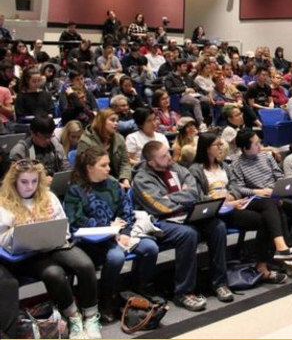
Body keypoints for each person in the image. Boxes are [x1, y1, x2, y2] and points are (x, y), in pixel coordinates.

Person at [0, 160, 102, 339]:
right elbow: (1, 238)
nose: (30, 186)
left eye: (34, 181)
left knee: (85, 264)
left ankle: (91, 317)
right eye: (24, 182)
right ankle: (73, 317)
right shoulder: (4, 203)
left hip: (55, 244)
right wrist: (18, 230)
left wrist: (47, 227)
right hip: (28, 254)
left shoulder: (48, 196)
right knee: (53, 273)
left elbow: (64, 227)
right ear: (14, 181)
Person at [132, 141, 233, 311]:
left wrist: (171, 196)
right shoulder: (141, 179)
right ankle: (183, 292)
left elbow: (194, 191)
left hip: (185, 216)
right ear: (152, 162)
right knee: (188, 234)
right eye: (163, 156)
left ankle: (219, 283)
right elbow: (160, 206)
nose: (169, 157)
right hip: (159, 222)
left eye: (168, 152)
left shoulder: (175, 167)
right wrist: (184, 200)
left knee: (218, 226)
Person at [63, 147, 159, 323]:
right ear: (89, 167)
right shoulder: (75, 189)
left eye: (108, 164)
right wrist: (107, 226)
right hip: (90, 241)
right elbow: (74, 221)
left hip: (116, 235)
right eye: (103, 165)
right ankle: (105, 300)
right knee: (116, 257)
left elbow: (126, 211)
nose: (108, 168)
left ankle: (135, 290)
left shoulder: (113, 184)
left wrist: (124, 231)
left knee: (151, 248)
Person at [190, 133, 292, 281]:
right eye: (218, 145)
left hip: (232, 205)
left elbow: (235, 187)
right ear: (207, 148)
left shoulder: (224, 166)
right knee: (268, 214)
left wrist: (233, 198)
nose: (221, 147)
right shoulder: (196, 170)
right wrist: (225, 202)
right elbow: (199, 197)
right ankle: (273, 256)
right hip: (216, 211)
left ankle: (270, 257)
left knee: (267, 210)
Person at [229, 129, 292, 260]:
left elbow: (279, 175)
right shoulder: (236, 164)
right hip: (256, 199)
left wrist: (280, 190)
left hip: (274, 194)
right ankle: (283, 250)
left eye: (259, 142)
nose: (260, 146)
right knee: (277, 210)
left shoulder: (267, 157)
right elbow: (239, 188)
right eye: (256, 144)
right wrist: (258, 191)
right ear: (245, 148)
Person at [78, 109, 132, 187]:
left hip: (119, 181)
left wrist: (125, 179)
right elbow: (86, 169)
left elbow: (125, 162)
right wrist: (116, 184)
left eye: (117, 121)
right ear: (101, 122)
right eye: (112, 120)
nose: (116, 123)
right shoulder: (86, 141)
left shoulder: (119, 138)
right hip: (94, 182)